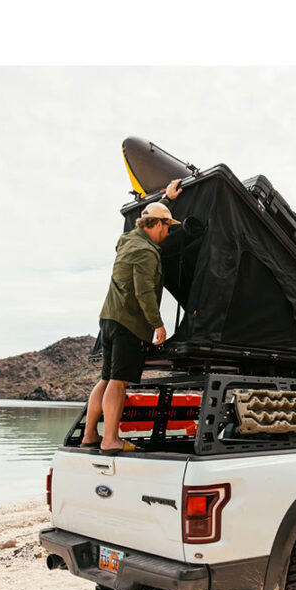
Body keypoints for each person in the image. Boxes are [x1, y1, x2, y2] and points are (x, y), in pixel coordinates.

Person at [81, 178, 182, 452]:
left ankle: (89, 434)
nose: (168, 233)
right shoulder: (146, 252)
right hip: (128, 323)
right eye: (167, 227)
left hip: (109, 320)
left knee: (105, 378)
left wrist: (167, 200)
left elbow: (146, 217)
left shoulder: (127, 240)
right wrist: (158, 325)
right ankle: (110, 439)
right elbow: (144, 292)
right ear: (157, 225)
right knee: (118, 380)